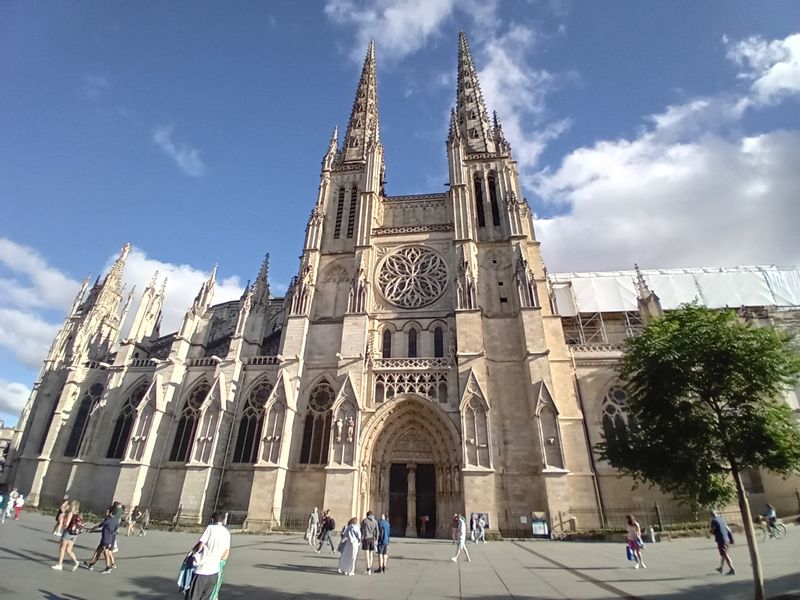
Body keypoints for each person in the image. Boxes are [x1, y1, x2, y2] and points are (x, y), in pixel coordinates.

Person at [186, 512, 231, 600]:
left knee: (193, 596)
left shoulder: (210, 528)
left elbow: (201, 545)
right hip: (214, 572)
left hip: (202, 570)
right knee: (206, 597)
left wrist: (195, 555)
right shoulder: (226, 532)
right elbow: (226, 553)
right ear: (223, 520)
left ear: (212, 519)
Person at [52, 500, 84, 571]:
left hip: (68, 533)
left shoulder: (71, 513)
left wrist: (64, 526)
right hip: (75, 534)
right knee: (69, 549)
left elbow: (67, 524)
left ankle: (59, 565)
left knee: (62, 549)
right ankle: (76, 561)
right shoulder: (79, 514)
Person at [84, 508, 118, 574]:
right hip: (108, 539)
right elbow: (115, 530)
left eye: (108, 511)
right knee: (98, 552)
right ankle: (91, 564)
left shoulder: (108, 520)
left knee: (106, 554)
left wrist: (91, 529)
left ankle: (107, 567)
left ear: (110, 513)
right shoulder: (116, 521)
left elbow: (99, 526)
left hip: (105, 540)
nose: (107, 513)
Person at [710, 510, 735, 575]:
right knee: (724, 554)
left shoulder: (714, 521)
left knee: (725, 555)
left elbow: (712, 530)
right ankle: (721, 568)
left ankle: (732, 569)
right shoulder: (722, 519)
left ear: (711, 515)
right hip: (727, 539)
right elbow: (728, 529)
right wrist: (731, 538)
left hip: (721, 540)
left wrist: (711, 532)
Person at [361, 510, 379, 575]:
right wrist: (376, 539)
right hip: (372, 538)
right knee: (371, 554)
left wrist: (361, 538)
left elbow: (362, 529)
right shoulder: (375, 521)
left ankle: (368, 569)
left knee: (366, 554)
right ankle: (369, 568)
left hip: (366, 538)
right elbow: (377, 531)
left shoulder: (365, 521)